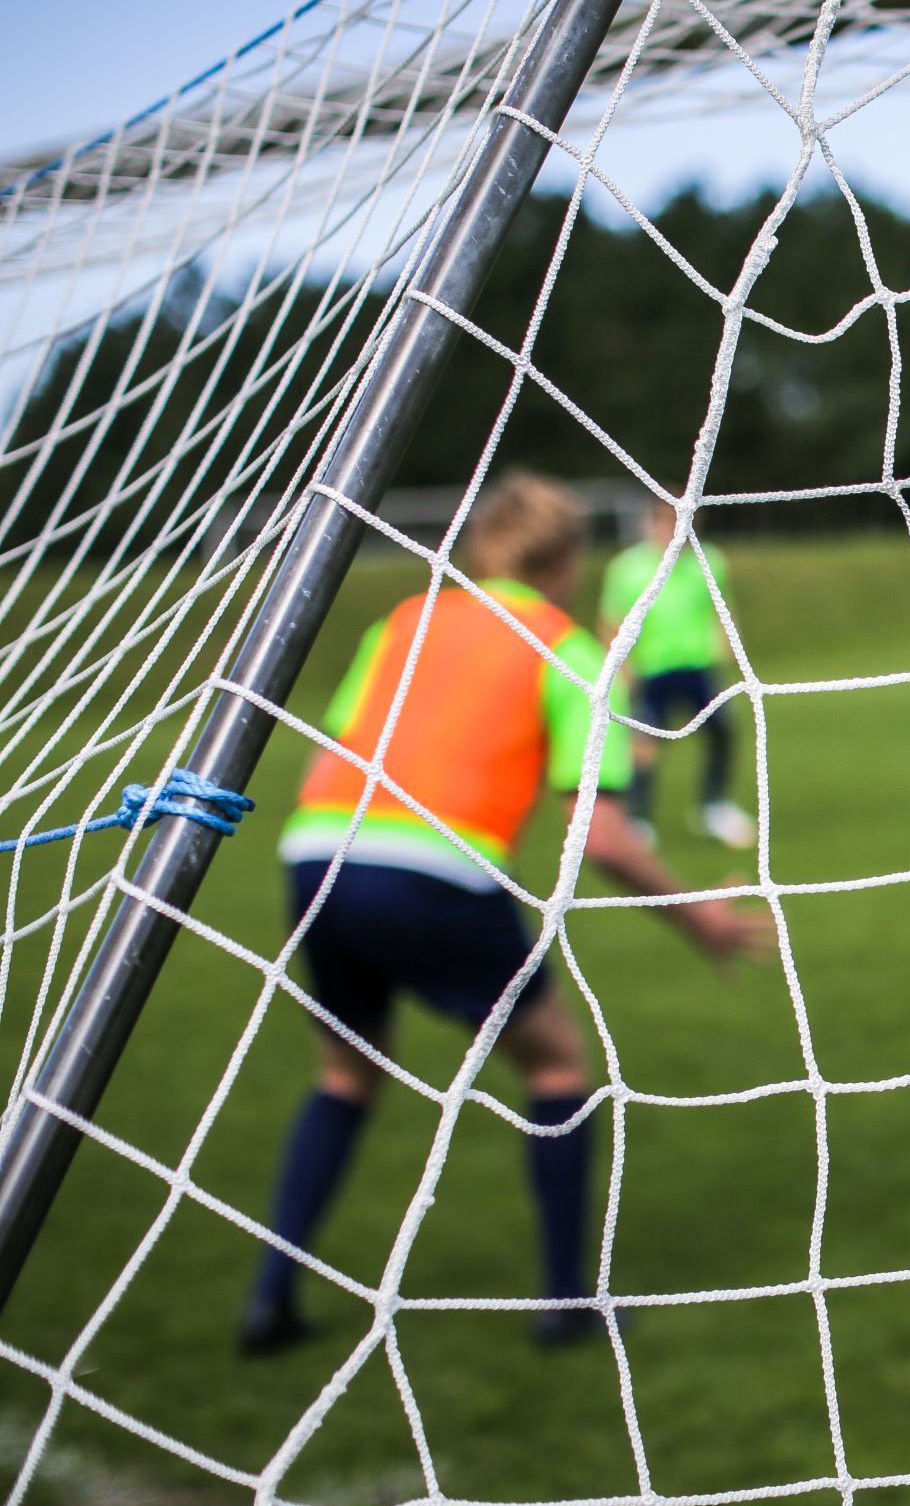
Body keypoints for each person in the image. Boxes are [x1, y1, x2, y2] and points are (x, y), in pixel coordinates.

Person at [244, 474, 772, 1356]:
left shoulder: (407, 620)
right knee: (559, 1064)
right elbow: (598, 835)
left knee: (345, 1073)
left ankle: (271, 1299)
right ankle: (566, 1304)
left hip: (315, 856)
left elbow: (324, 759)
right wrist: (700, 919)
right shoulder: (565, 647)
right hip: (434, 869)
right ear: (566, 560)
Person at [598, 499, 754, 849]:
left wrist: (727, 646)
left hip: (699, 666)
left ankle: (714, 807)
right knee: (643, 747)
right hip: (650, 670)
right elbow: (610, 622)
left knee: (722, 732)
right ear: (650, 525)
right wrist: (622, 668)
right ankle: (639, 821)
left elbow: (720, 608)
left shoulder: (709, 560)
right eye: (665, 523)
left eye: (680, 523)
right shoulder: (626, 568)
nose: (673, 531)